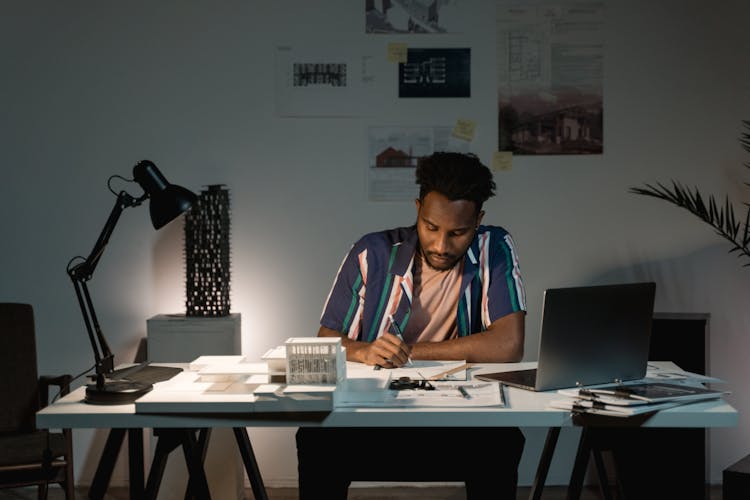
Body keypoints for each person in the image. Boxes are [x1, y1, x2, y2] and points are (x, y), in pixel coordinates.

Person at [296, 151, 527, 500]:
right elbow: (327, 340)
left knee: (501, 439)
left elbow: (508, 345)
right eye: (431, 227)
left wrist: (410, 353)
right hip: (375, 416)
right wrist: (364, 350)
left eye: (458, 232)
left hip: (458, 417)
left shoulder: (494, 247)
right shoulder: (371, 252)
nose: (441, 245)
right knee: (315, 435)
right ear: (417, 208)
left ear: (479, 219)